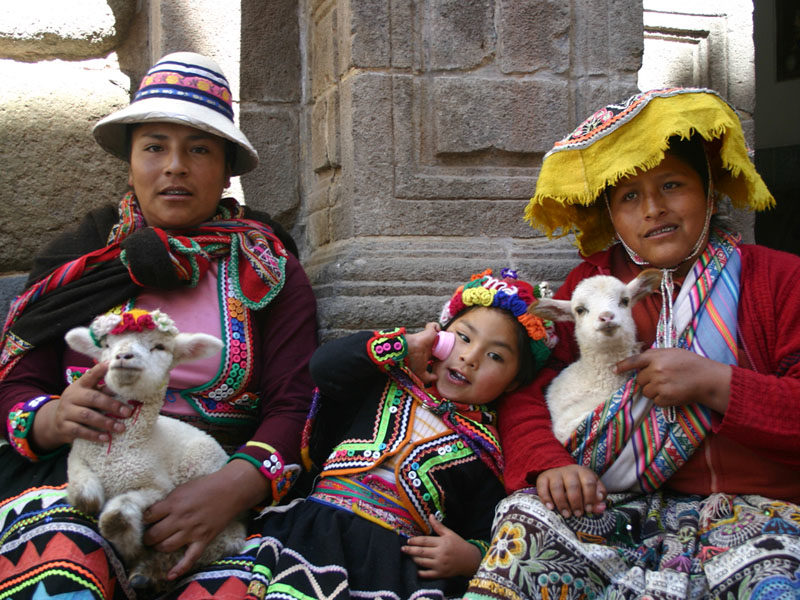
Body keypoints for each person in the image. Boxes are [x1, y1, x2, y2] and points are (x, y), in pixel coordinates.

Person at [0, 52, 318, 599]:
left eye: (198, 149)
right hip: (80, 481)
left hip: (211, 484)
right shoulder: (78, 261)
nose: (175, 166)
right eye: (154, 147)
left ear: (225, 170)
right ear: (131, 162)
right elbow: (14, 385)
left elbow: (296, 403)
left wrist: (231, 489)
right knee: (56, 562)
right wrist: (53, 417)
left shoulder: (268, 270)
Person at [464, 88, 800, 599]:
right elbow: (527, 393)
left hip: (763, 507)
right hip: (615, 502)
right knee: (523, 532)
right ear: (612, 216)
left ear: (708, 191)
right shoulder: (594, 287)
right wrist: (549, 462)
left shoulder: (778, 280)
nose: (653, 209)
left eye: (672, 185)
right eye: (629, 197)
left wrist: (716, 383)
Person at [243, 269, 555, 600]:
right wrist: (403, 345)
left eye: (495, 356)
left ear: (513, 383)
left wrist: (469, 557)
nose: (470, 357)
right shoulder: (385, 378)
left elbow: (484, 526)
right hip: (315, 529)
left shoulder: (485, 450)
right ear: (440, 335)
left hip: (390, 563)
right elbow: (324, 366)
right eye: (463, 337)